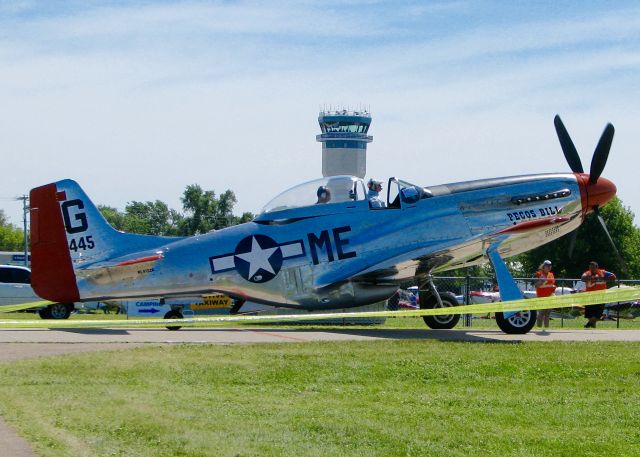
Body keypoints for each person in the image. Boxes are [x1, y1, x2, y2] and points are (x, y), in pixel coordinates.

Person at [581, 261, 616, 328]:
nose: (591, 269)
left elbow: (613, 276)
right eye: (590, 267)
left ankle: (588, 325)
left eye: (593, 268)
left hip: (600, 296)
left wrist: (602, 279)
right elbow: (582, 278)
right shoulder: (587, 273)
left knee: (598, 314)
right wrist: (591, 278)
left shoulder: (603, 272)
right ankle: (593, 324)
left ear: (597, 267)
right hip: (589, 296)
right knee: (589, 314)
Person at [535, 260, 556, 329]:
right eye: (547, 266)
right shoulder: (539, 274)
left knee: (547, 314)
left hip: (550, 296)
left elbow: (552, 284)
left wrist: (553, 287)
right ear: (543, 267)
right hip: (541, 296)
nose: (549, 267)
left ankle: (546, 328)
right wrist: (546, 284)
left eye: (550, 266)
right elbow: (537, 286)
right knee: (541, 313)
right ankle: (539, 328)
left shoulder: (551, 274)